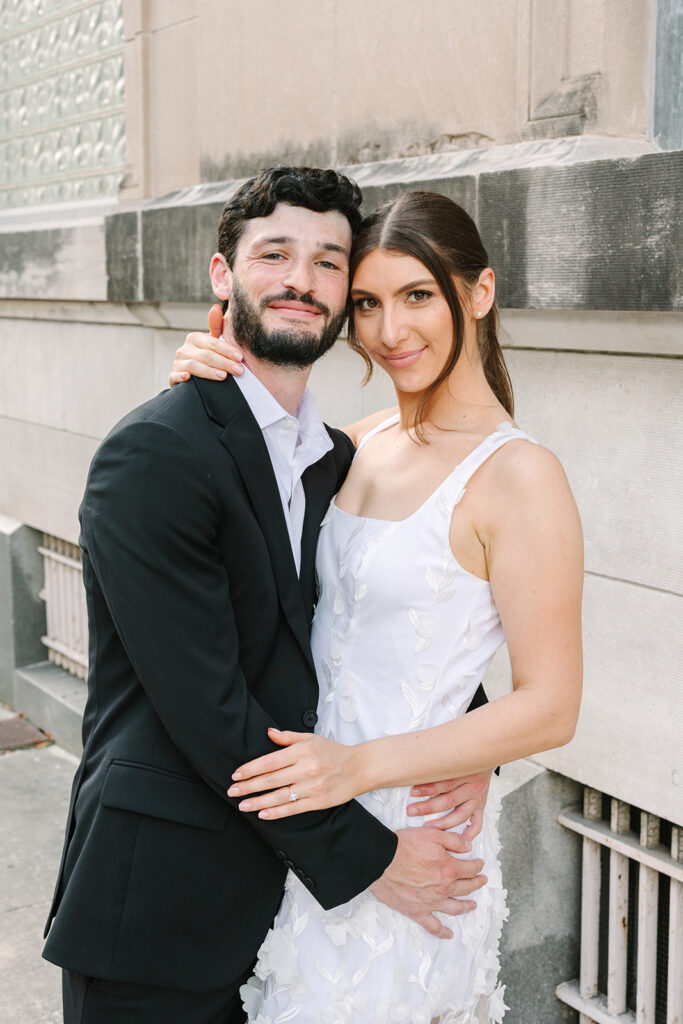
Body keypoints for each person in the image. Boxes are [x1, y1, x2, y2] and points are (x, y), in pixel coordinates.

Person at [43, 168, 492, 1024]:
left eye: (328, 262)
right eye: (274, 253)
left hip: (292, 917)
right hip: (166, 908)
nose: (301, 279)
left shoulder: (332, 457)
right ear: (222, 276)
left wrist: (470, 739)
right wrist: (373, 859)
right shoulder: (155, 454)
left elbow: (378, 617)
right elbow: (208, 709)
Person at [171, 188, 584, 1022]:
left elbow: (551, 707)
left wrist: (364, 768)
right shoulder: (350, 445)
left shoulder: (520, 477)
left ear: (479, 292)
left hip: (413, 837)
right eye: (367, 303)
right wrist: (200, 373)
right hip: (307, 833)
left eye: (418, 296)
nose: (390, 332)